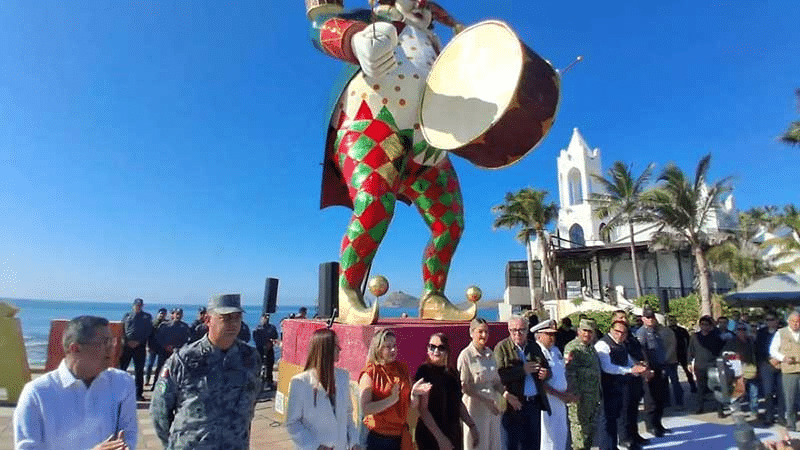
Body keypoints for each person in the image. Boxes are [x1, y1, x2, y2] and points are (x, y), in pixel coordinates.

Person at [306, 0, 488, 324]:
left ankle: (433, 296)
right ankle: (347, 292)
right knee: (374, 204)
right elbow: (322, 29)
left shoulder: (437, 44)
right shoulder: (376, 19)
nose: (421, 3)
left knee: (450, 222)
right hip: (376, 123)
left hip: (426, 144)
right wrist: (355, 40)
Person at [150, 293, 262, 449]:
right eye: (226, 318)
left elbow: (252, 400)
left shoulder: (250, 358)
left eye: (237, 317)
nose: (233, 323)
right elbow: (159, 412)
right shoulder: (184, 360)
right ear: (208, 320)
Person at [14, 316, 137, 450]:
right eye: (104, 342)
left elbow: (129, 434)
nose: (112, 349)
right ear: (75, 348)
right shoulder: (37, 392)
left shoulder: (122, 382)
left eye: (112, 342)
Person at [286, 328, 361, 450]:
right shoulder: (300, 382)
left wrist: (354, 442)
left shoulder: (343, 377)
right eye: (336, 345)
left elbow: (348, 415)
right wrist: (315, 446)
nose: (340, 349)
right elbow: (293, 423)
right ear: (325, 349)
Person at [359, 328, 429, 450]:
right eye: (388, 346)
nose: (393, 350)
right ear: (378, 348)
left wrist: (414, 394)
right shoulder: (370, 372)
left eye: (394, 345)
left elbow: (411, 405)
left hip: (399, 436)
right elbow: (365, 408)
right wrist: (391, 400)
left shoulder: (401, 368)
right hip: (376, 437)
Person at [494, 315, 551, 450]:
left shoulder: (534, 347)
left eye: (521, 330)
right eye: (513, 330)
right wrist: (522, 370)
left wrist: (546, 373)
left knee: (533, 444)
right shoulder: (502, 348)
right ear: (509, 330)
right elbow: (498, 376)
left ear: (527, 330)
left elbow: (547, 367)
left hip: (534, 403)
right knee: (513, 444)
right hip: (514, 404)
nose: (517, 333)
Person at [414, 332, 479, 450]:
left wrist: (472, 426)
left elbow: (458, 403)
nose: (436, 351)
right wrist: (440, 438)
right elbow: (423, 410)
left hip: (453, 433)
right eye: (432, 347)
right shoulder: (424, 372)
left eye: (441, 348)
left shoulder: (452, 374)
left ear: (447, 350)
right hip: (430, 435)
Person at [595, 320, 649, 450]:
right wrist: (631, 370)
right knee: (606, 421)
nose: (620, 335)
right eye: (617, 331)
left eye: (623, 333)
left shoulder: (622, 345)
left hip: (620, 387)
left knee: (615, 419)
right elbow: (607, 367)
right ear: (611, 330)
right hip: (607, 389)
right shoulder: (603, 344)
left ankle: (613, 446)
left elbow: (628, 362)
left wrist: (640, 369)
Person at [457, 318, 504, 450]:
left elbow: (496, 381)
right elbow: (464, 387)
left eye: (486, 332)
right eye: (480, 332)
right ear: (471, 333)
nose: (484, 335)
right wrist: (486, 401)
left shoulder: (490, 353)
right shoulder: (466, 356)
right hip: (475, 411)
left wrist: (505, 395)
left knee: (494, 445)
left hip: (493, 411)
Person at [533, 319, 577, 450]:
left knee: (560, 438)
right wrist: (561, 395)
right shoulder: (536, 353)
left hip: (560, 402)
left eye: (554, 335)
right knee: (548, 440)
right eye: (549, 334)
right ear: (539, 335)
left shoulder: (555, 351)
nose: (552, 338)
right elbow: (540, 383)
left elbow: (560, 372)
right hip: (547, 402)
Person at [610, 310, 649, 448]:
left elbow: (638, 351)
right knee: (624, 411)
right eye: (619, 317)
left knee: (633, 408)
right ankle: (624, 437)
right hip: (622, 379)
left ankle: (634, 434)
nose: (623, 319)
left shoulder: (631, 336)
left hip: (635, 376)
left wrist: (643, 365)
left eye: (624, 317)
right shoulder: (612, 339)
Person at [564, 318, 602, 450]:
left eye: (590, 332)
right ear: (579, 331)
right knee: (579, 430)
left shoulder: (591, 348)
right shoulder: (573, 348)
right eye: (584, 331)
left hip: (592, 397)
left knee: (590, 430)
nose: (587, 334)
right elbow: (569, 372)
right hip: (579, 397)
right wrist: (574, 394)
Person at [635, 306, 671, 437]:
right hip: (650, 369)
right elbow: (642, 353)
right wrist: (647, 370)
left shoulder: (656, 331)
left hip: (661, 367)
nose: (650, 320)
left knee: (660, 399)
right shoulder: (641, 333)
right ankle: (650, 426)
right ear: (643, 318)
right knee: (651, 400)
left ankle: (658, 424)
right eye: (648, 317)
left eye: (652, 317)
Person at [688, 315, 724, 416]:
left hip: (713, 364)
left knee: (716, 387)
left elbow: (721, 349)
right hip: (700, 365)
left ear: (710, 325)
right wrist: (689, 362)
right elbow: (690, 350)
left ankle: (720, 410)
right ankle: (700, 407)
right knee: (700, 388)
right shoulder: (695, 337)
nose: (704, 326)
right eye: (702, 324)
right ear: (700, 325)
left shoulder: (716, 336)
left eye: (707, 324)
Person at [770, 311, 800, 431]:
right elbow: (772, 350)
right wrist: (783, 358)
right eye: (793, 321)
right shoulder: (781, 333)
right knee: (790, 399)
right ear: (788, 321)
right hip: (789, 371)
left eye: (798, 321)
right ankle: (791, 425)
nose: (795, 324)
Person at [119, 297, 152, 401]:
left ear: (142, 306)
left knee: (139, 371)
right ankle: (120, 393)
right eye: (136, 305)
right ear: (133, 305)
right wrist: (126, 341)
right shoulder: (127, 316)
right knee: (122, 370)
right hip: (127, 346)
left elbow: (148, 331)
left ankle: (138, 394)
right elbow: (122, 329)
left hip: (140, 346)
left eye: (140, 305)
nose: (138, 307)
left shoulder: (146, 317)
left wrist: (138, 342)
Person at [724, 322, 759, 417]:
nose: (741, 331)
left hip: (751, 368)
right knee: (739, 391)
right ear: (736, 331)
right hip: (737, 370)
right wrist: (734, 357)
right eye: (739, 329)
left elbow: (756, 354)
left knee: (753, 391)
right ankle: (735, 410)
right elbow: (724, 355)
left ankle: (754, 411)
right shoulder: (731, 342)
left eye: (743, 329)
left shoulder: (751, 341)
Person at [757, 313, 784, 426]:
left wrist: (778, 359)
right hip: (766, 365)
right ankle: (769, 416)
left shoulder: (783, 332)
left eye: (772, 319)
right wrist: (768, 360)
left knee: (781, 392)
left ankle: (782, 417)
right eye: (767, 320)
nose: (770, 322)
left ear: (777, 321)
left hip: (781, 364)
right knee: (768, 392)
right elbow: (758, 348)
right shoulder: (761, 332)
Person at [668, 316, 698, 394]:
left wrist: (689, 352)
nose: (672, 322)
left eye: (673, 320)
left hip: (682, 352)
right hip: (672, 354)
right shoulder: (667, 331)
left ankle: (693, 386)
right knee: (673, 374)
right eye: (670, 320)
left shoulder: (682, 330)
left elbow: (688, 341)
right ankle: (677, 389)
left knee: (688, 371)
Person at [253, 313, 279, 389]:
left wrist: (270, 343)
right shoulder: (258, 329)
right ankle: (257, 382)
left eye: (267, 318)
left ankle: (269, 382)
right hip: (260, 349)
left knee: (269, 366)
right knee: (259, 366)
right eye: (264, 317)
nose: (266, 319)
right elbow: (256, 339)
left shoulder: (272, 327)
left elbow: (275, 336)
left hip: (270, 349)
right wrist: (263, 344)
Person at [145, 308, 168, 386]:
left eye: (163, 314)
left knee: (159, 366)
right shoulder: (153, 323)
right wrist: (148, 345)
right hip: (152, 347)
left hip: (162, 348)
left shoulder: (167, 324)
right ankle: (147, 380)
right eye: (161, 313)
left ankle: (156, 381)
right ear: (158, 314)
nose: (162, 315)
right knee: (149, 365)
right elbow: (148, 335)